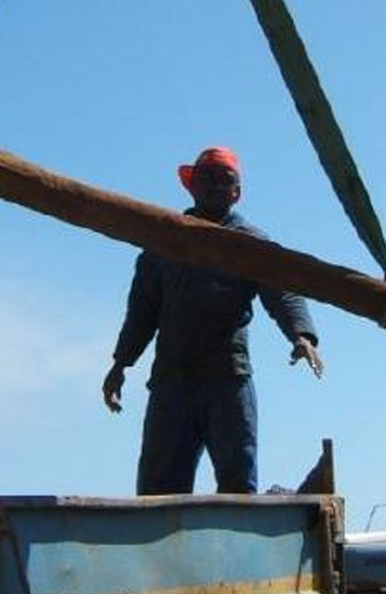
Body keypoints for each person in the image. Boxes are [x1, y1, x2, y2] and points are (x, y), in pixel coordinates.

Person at [102, 146, 323, 496]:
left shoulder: (251, 243)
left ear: (237, 192)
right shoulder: (164, 241)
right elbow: (142, 311)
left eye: (226, 180)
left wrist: (302, 335)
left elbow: (282, 291)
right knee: (160, 488)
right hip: (171, 383)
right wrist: (120, 364)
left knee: (237, 484)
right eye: (208, 178)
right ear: (192, 186)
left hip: (227, 380)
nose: (217, 186)